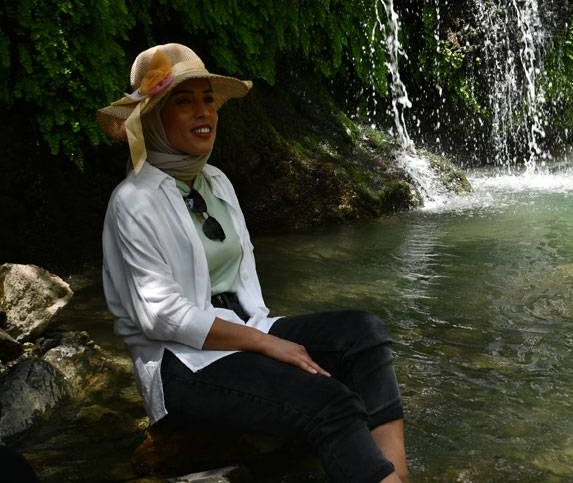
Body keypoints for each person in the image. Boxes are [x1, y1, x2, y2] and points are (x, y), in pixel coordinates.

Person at [98, 43, 409, 482]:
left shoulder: (217, 182)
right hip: (183, 365)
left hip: (249, 329)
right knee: (328, 400)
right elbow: (160, 315)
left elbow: (245, 287)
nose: (203, 112)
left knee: (365, 335)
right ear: (152, 119)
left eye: (208, 100)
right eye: (184, 102)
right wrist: (266, 345)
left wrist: (264, 336)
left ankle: (397, 477)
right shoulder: (133, 201)